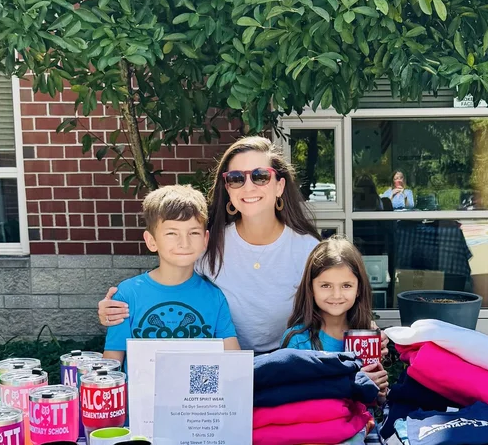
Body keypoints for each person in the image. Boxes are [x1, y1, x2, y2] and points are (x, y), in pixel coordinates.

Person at [99, 136, 321, 352]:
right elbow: (172, 286)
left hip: (288, 361)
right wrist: (116, 308)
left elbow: (330, 306)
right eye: (236, 178)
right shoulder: (208, 242)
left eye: (260, 176)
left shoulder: (307, 249)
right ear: (227, 188)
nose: (248, 187)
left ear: (279, 186)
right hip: (222, 362)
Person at [101, 185, 240, 363]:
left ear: (205, 240)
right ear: (151, 241)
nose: (184, 243)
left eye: (193, 232)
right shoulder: (127, 295)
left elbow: (233, 361)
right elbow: (112, 362)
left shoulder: (215, 297)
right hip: (142, 382)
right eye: (172, 233)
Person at [281, 237, 390, 394]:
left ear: (359, 289)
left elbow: (376, 401)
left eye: (346, 285)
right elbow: (290, 396)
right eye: (326, 285)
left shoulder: (367, 337)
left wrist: (378, 392)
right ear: (310, 288)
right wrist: (353, 384)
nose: (336, 295)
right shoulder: (297, 341)